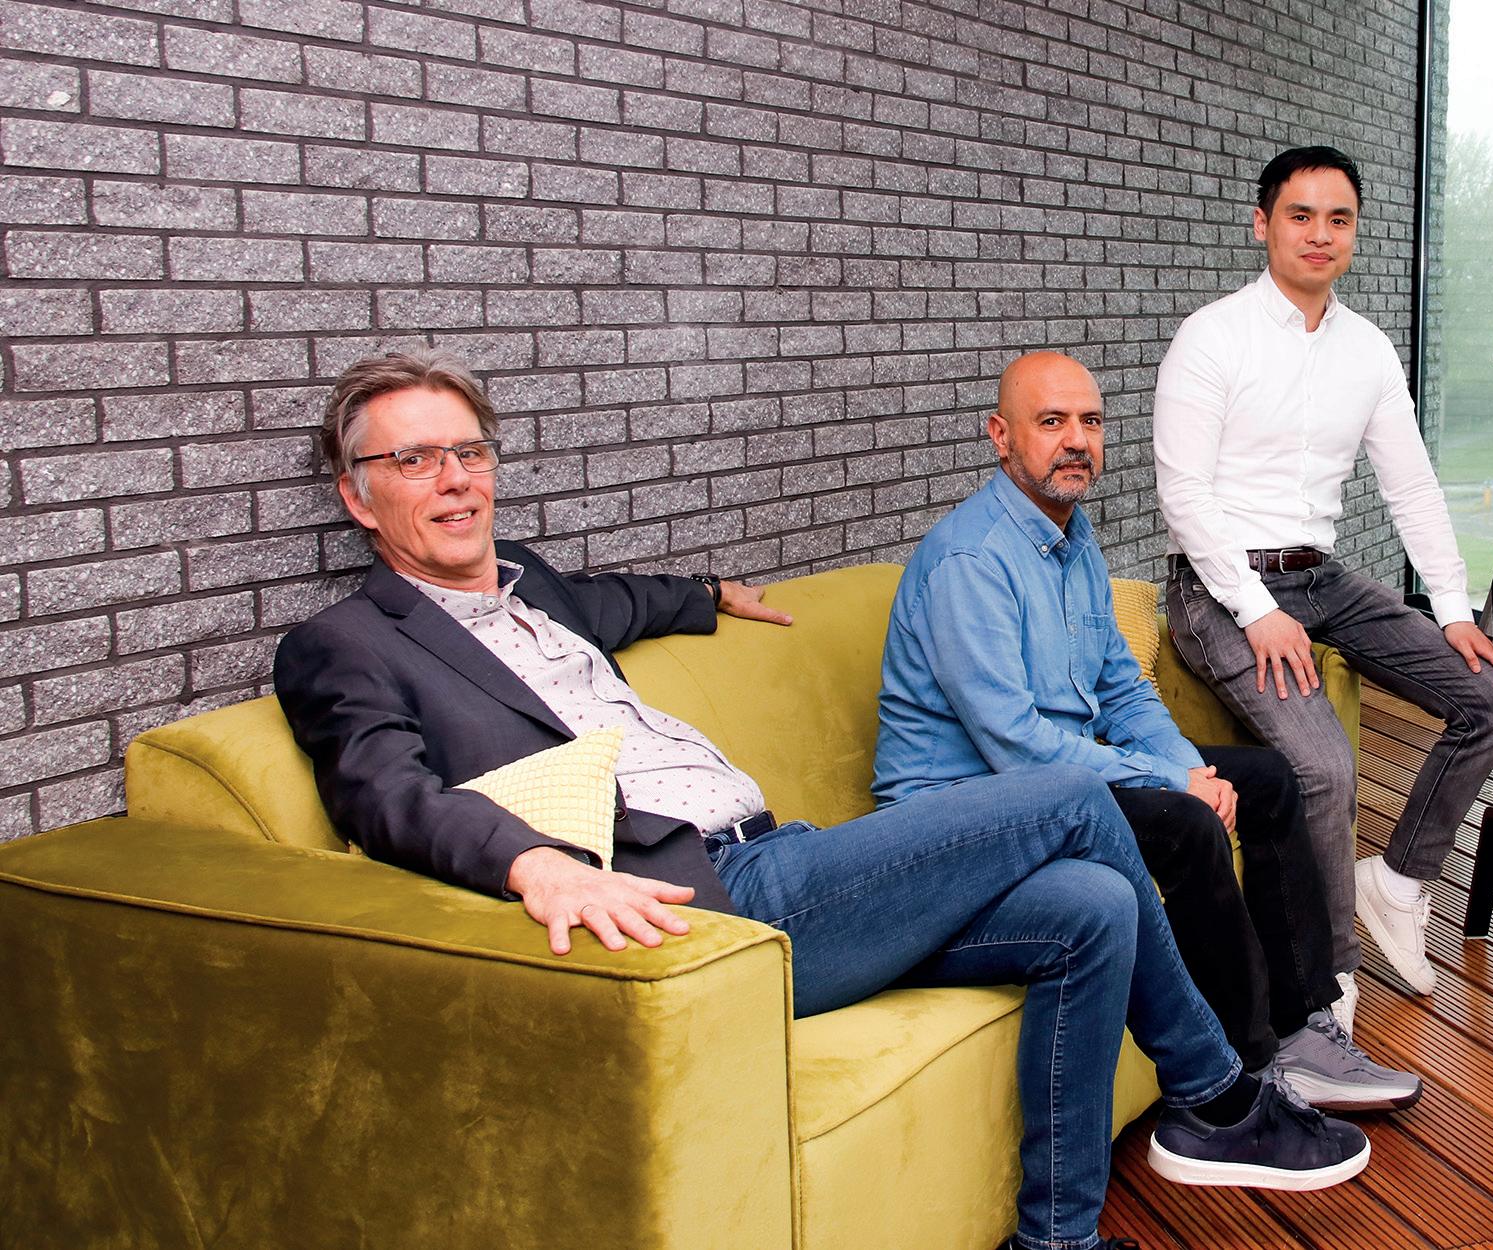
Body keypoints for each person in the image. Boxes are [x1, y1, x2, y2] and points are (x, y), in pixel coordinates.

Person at [274, 349, 1370, 1250]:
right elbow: (384, 793)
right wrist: (532, 861)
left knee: (1093, 904)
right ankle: (1215, 1096)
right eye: (412, 459)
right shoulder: (347, 644)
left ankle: (1056, 1240)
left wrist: (710, 595)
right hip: (709, 898)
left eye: (468, 451)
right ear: (357, 494)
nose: (453, 479)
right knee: (1073, 802)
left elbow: (619, 602)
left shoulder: (530, 583)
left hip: (784, 854)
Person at [877, 351, 1421, 1114]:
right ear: (1000, 436)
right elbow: (1014, 742)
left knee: (1264, 780)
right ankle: (1248, 1076)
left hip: (1054, 785)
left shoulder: (1072, 541)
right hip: (969, 808)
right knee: (1184, 822)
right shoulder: (970, 560)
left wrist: (1187, 767)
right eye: (1051, 422)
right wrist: (1174, 783)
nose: (1076, 440)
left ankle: (1301, 1031)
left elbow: (1121, 690)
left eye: (1090, 422)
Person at [1152, 144, 1493, 1024]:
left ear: (1353, 233)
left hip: (1320, 578)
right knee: (1322, 764)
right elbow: (1183, 494)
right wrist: (1254, 609)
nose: (1320, 234)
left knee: (1492, 697)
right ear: (1262, 225)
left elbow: (1411, 487)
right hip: (1218, 587)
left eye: (1339, 219)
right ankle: (1330, 981)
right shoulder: (1212, 336)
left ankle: (1396, 883)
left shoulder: (1366, 349)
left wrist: (1453, 611)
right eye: (1300, 215)